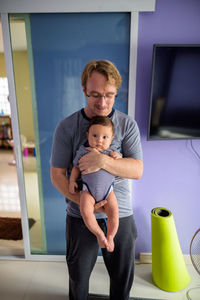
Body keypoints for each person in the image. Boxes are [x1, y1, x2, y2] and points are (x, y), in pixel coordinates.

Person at [50, 59, 143, 300]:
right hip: (80, 215)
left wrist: (103, 162)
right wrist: (86, 202)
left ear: (116, 92)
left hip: (120, 212)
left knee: (122, 281)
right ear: (83, 90)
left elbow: (137, 170)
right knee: (78, 279)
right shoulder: (67, 127)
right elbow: (57, 175)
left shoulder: (127, 125)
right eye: (94, 95)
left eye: (109, 95)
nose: (102, 103)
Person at [69, 116, 121, 252]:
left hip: (108, 191)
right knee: (85, 211)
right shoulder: (83, 151)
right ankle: (99, 234)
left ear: (111, 138)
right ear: (88, 135)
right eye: (95, 135)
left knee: (114, 213)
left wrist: (117, 157)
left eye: (105, 137)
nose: (99, 140)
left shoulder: (111, 153)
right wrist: (72, 180)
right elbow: (76, 168)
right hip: (88, 190)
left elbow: (119, 165)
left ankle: (110, 236)